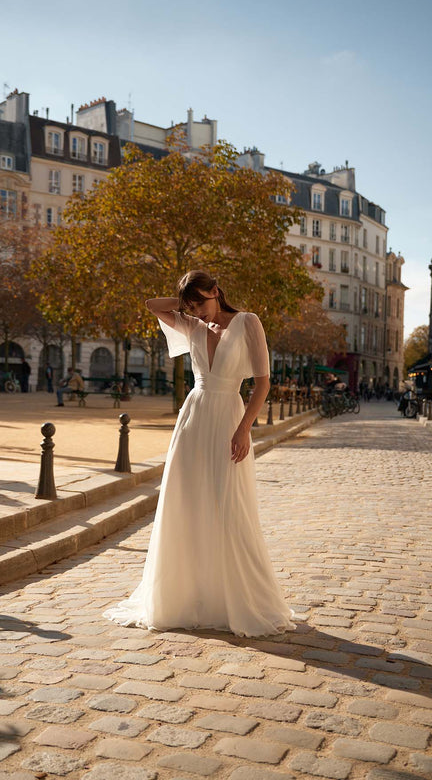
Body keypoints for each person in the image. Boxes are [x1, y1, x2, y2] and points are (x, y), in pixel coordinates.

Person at [103, 270, 294, 637]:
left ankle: (230, 597)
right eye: (191, 307)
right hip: (193, 419)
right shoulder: (191, 325)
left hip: (229, 417)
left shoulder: (248, 322)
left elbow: (262, 383)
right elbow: (152, 305)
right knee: (186, 502)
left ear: (216, 291)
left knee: (228, 503)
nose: (199, 312)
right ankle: (186, 596)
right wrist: (186, 303)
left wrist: (244, 429)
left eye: (202, 303)